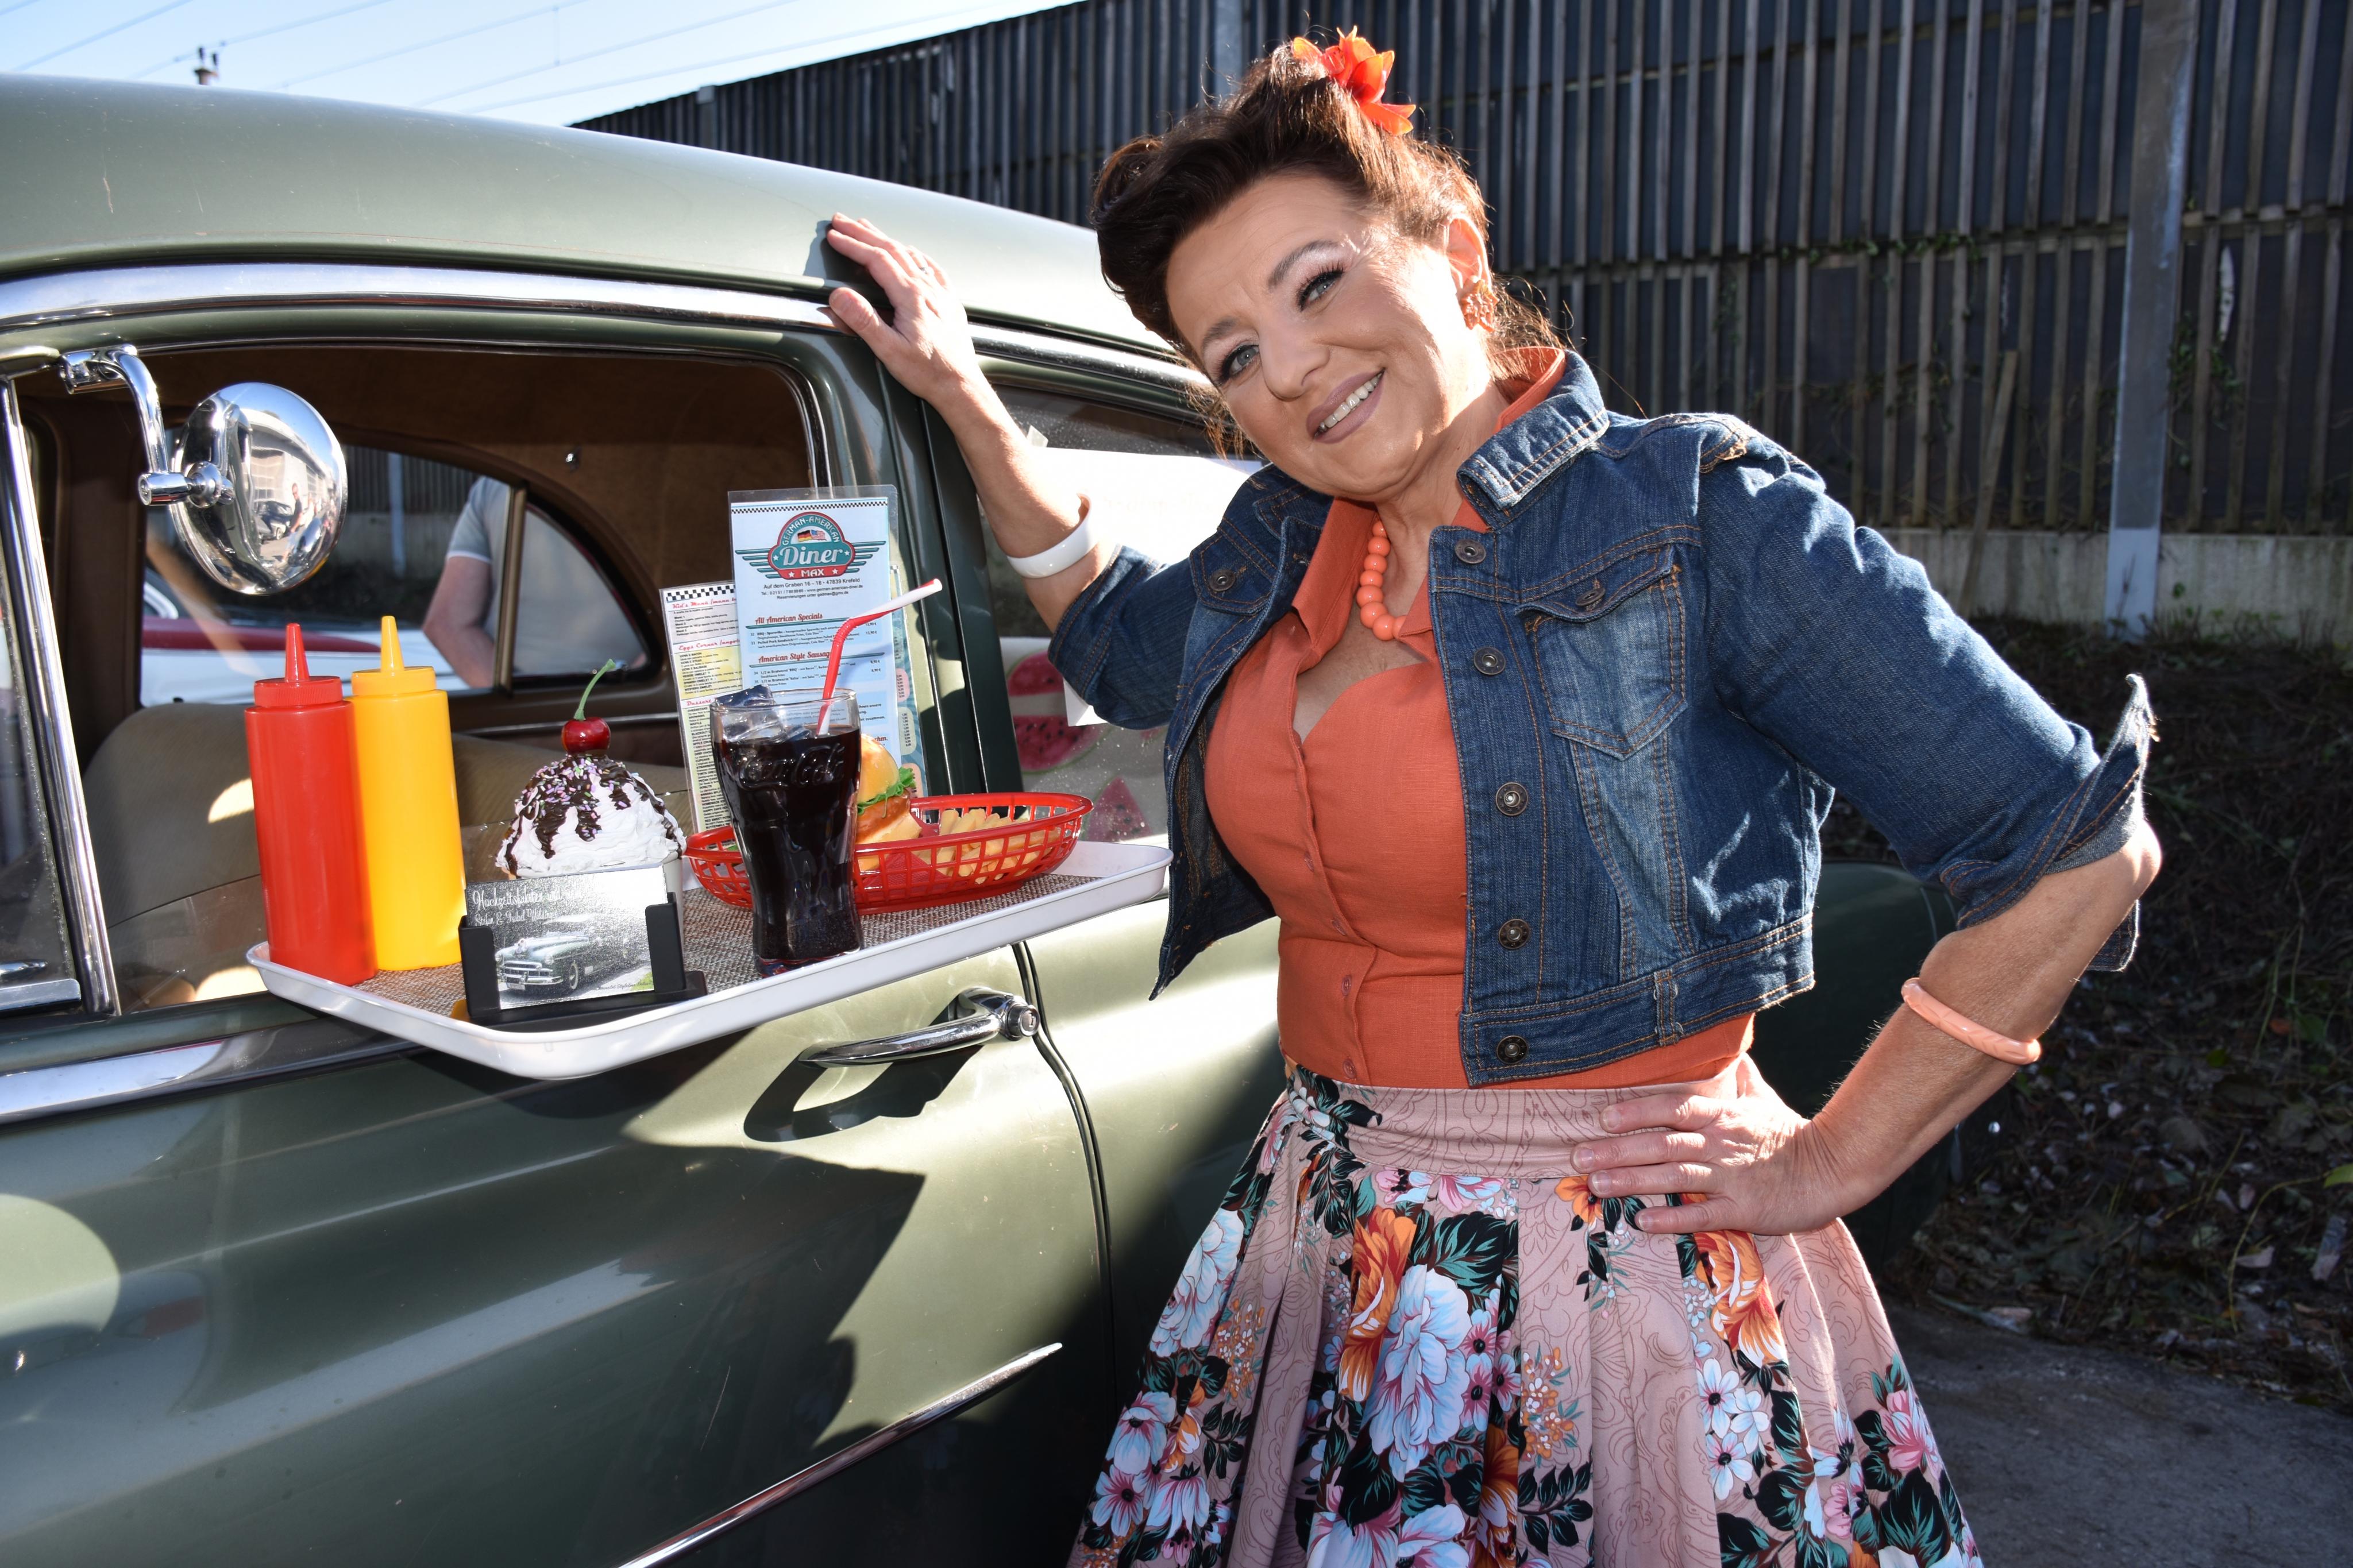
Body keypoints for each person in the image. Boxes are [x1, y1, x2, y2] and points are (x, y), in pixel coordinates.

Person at [826, 31, 2158, 1567]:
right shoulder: (1279, 545)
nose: (1290, 368)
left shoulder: (1695, 519)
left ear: (1454, 250)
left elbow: (2079, 852)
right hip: (1322, 1242)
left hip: (1608, 1278)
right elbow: (1118, 640)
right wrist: (961, 396)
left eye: (1318, 284)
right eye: (1232, 354)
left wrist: (1829, 1160)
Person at [422, 476, 642, 687]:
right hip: (630, 699)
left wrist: (519, 700)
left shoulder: (497, 485)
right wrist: (636, 692)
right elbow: (446, 624)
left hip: (529, 702)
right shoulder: (647, 480)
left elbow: (448, 623)